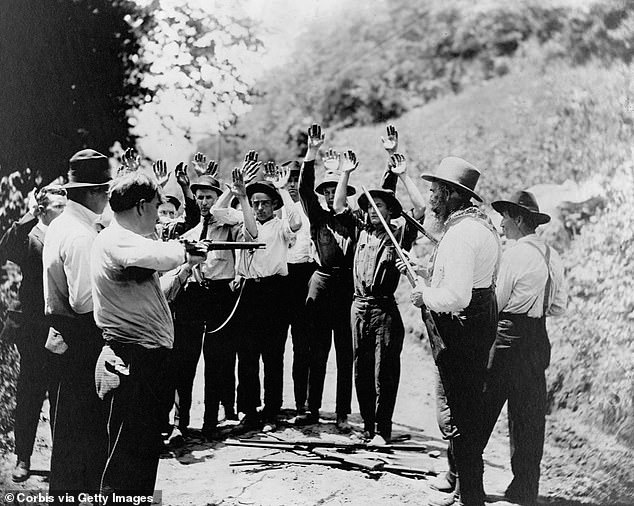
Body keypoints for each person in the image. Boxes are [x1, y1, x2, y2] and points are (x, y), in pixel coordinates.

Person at [92, 171, 205, 496]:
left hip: (143, 362)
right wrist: (185, 251)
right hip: (131, 361)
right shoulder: (118, 240)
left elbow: (156, 280)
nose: (159, 215)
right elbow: (156, 255)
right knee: (125, 464)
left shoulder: (126, 242)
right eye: (156, 206)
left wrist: (186, 263)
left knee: (139, 461)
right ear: (141, 207)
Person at [404, 157, 500, 506]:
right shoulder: (479, 226)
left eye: (433, 190)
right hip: (478, 323)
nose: (429, 196)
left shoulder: (461, 235)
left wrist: (423, 293)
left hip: (462, 329)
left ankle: (470, 498)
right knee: (465, 411)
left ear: (448, 194)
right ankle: (464, 489)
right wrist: (426, 270)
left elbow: (456, 296)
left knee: (458, 416)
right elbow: (467, 280)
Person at [333, 148, 425, 445]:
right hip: (357, 307)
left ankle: (383, 431)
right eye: (370, 207)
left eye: (380, 206)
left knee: (384, 372)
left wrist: (403, 176)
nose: (374, 211)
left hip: (384, 310)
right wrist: (345, 173)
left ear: (390, 212)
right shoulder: (359, 230)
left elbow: (421, 209)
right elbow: (337, 206)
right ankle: (368, 428)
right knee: (360, 369)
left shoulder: (398, 235)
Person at [482, 190, 567, 505]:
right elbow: (559, 307)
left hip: (506, 336)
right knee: (529, 418)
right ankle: (524, 491)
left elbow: (497, 303)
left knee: (483, 407)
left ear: (518, 219)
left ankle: (465, 482)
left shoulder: (514, 255)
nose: (501, 223)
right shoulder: (551, 255)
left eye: (505, 216)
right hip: (536, 339)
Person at [42, 148, 111, 496]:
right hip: (83, 337)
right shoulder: (82, 235)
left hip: (63, 336)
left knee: (69, 435)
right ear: (93, 192)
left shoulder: (62, 224)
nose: (107, 198)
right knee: (84, 435)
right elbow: (84, 301)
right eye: (105, 191)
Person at [0, 185, 66, 482]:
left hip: (64, 326)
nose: (65, 212)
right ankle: (23, 457)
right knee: (30, 393)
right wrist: (29, 215)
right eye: (57, 207)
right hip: (32, 328)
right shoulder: (31, 235)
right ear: (41, 210)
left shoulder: (71, 234)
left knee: (63, 395)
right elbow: (7, 247)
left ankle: (64, 459)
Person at [171, 171, 243, 440]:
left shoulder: (230, 225)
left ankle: (211, 422)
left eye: (209, 197)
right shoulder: (191, 229)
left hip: (220, 296)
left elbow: (246, 225)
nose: (204, 202)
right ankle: (180, 423)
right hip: (192, 295)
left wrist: (223, 204)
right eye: (199, 197)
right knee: (185, 360)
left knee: (217, 360)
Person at [232, 163, 301, 433]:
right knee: (247, 355)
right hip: (249, 292)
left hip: (275, 293)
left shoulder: (281, 225)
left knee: (273, 356)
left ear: (274, 205)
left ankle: (271, 411)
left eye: (264, 203)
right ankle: (249, 411)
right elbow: (250, 232)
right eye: (255, 203)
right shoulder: (247, 224)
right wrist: (240, 196)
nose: (260, 208)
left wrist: (282, 190)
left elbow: (296, 222)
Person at [297, 123, 356, 430]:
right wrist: (312, 152)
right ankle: (311, 408)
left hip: (347, 287)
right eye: (328, 191)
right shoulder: (317, 216)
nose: (333, 194)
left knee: (345, 351)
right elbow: (303, 190)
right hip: (320, 283)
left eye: (337, 190)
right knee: (316, 349)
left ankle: (343, 413)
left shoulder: (354, 220)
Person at [280, 159, 316, 419]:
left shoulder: (311, 209)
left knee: (303, 344)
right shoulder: (274, 208)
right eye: (287, 180)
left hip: (305, 276)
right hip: (279, 279)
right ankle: (272, 405)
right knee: (274, 344)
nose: (292, 185)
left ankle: (301, 403)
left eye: (295, 180)